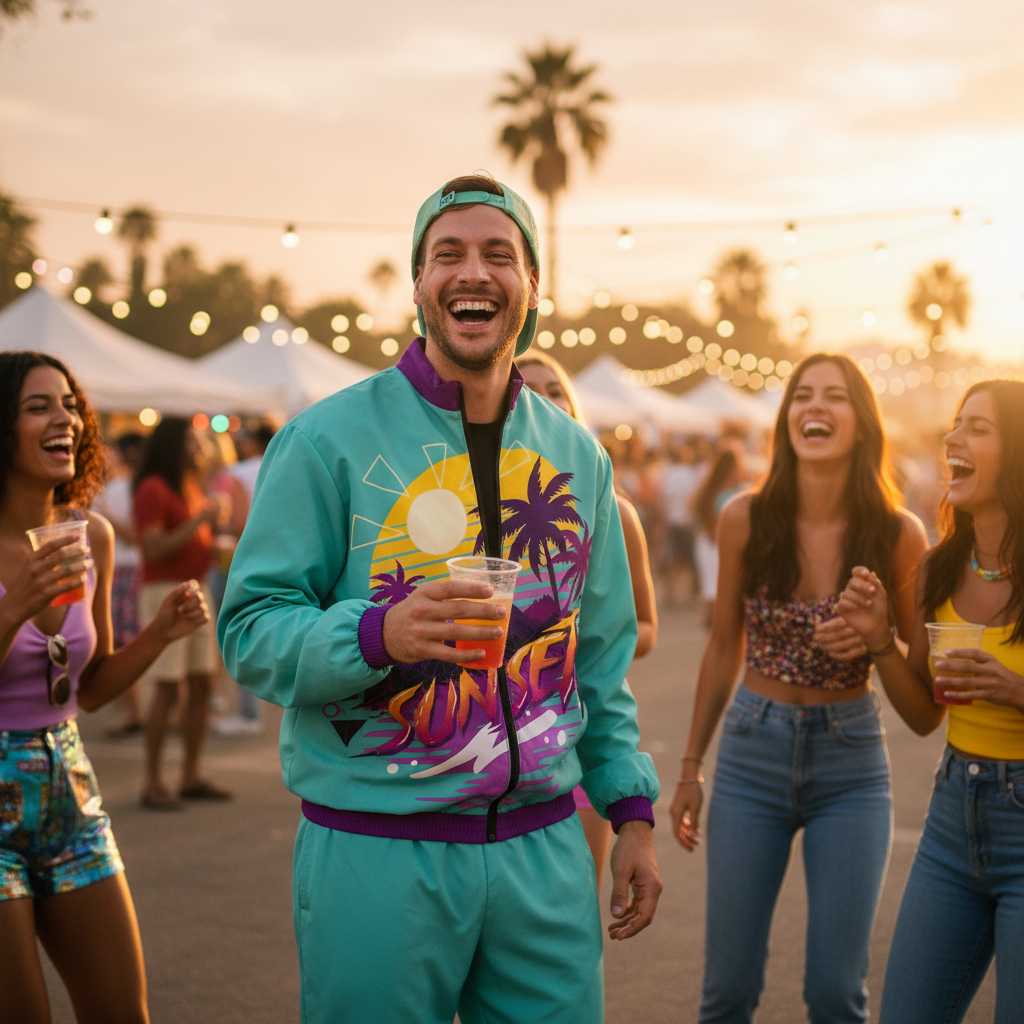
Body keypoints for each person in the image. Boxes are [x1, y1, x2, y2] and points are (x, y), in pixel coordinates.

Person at [219, 174, 661, 1024]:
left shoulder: (578, 457)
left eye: (500, 254)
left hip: (544, 853)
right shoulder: (325, 440)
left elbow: (598, 665)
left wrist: (630, 812)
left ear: (532, 289)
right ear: (417, 285)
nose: (473, 272)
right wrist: (381, 632)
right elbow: (248, 631)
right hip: (376, 850)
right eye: (447, 254)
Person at [669, 352, 929, 1024]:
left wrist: (879, 644)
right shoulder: (745, 518)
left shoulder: (901, 535)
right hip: (752, 755)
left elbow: (924, 709)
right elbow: (724, 644)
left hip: (852, 764)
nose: (816, 407)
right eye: (803, 395)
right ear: (786, 420)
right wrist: (692, 766)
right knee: (728, 992)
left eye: (835, 396)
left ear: (863, 423)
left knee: (836, 995)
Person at [0, 350, 208, 1024]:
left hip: (71, 793)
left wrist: (160, 634)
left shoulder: (91, 534)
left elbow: (85, 690)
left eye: (68, 404)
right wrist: (11, 609)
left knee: (123, 1013)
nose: (65, 418)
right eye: (39, 406)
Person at [836, 379, 1024, 1024]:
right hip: (953, 816)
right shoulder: (939, 568)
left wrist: (1015, 690)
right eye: (955, 424)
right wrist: (880, 640)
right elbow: (923, 716)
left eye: (979, 427)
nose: (953, 439)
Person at [518, 347, 658, 892]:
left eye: (554, 390)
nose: (544, 401)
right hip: (501, 743)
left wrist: (578, 641)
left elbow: (642, 628)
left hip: (577, 735)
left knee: (571, 901)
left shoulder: (614, 510)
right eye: (527, 390)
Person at [133, 416, 230, 809]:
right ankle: (153, 780)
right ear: (174, 444)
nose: (199, 446)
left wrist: (215, 546)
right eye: (191, 440)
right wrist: (201, 521)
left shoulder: (190, 485)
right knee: (168, 688)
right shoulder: (153, 488)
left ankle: (190, 775)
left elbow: (191, 541)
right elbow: (154, 548)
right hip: (163, 593)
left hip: (195, 588)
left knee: (201, 685)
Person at [213, 421, 275, 737]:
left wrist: (219, 529)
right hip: (277, 558)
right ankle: (255, 711)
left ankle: (247, 713)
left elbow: (238, 523)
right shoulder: (281, 461)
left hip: (242, 560)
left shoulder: (238, 473)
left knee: (239, 635)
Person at [93, 431, 147, 737]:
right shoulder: (140, 485)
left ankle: (135, 713)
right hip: (136, 570)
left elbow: (131, 534)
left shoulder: (117, 489)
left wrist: (108, 514)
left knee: (121, 642)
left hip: (124, 571)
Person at [690, 444, 746, 627]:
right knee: (713, 589)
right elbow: (708, 523)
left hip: (723, 544)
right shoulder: (714, 491)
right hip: (712, 545)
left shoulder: (740, 489)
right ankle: (714, 627)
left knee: (725, 590)